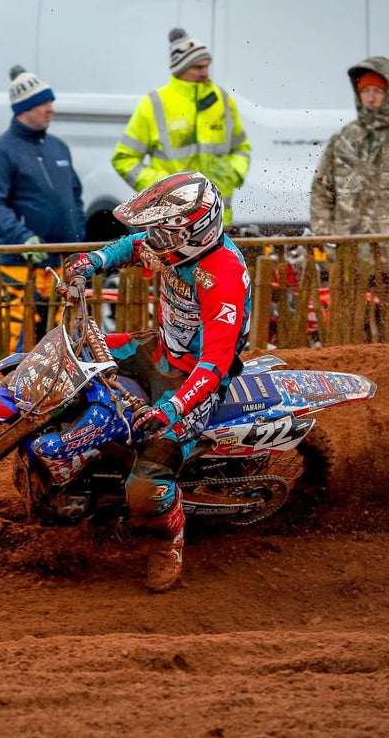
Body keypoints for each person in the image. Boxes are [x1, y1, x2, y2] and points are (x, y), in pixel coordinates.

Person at [64, 171, 252, 593]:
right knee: (74, 353)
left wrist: (169, 408)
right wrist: (92, 262)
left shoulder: (222, 277)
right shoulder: (171, 248)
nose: (154, 243)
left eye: (164, 235)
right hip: (159, 350)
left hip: (195, 380)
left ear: (194, 233)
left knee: (147, 484)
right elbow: (134, 246)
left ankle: (167, 543)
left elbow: (215, 364)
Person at [0, 65, 86, 353]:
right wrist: (22, 237)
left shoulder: (59, 148)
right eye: (42, 103)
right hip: (21, 265)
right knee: (21, 341)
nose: (50, 108)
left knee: (65, 341)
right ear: (23, 108)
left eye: (50, 100)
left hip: (60, 262)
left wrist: (78, 233)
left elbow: (75, 196)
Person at [111, 28, 251, 227]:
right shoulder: (153, 104)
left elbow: (241, 148)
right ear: (180, 68)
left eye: (207, 65)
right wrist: (162, 187)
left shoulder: (223, 100)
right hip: (170, 224)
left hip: (218, 220)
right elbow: (124, 159)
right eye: (198, 67)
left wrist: (233, 174)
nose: (206, 73)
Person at [310, 56, 389, 267]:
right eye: (365, 91)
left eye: (377, 91)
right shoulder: (342, 139)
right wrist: (327, 239)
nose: (370, 98)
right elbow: (321, 190)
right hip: (349, 259)